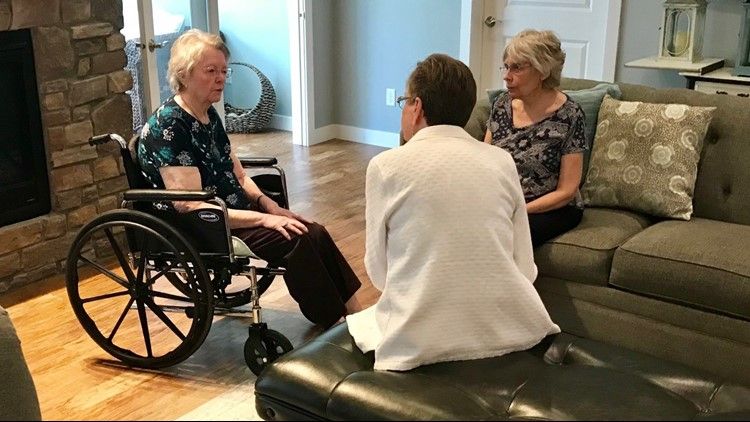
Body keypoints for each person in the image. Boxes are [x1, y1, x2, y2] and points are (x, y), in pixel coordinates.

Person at [346, 53, 560, 371]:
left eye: (404, 101)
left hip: (419, 339)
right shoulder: (501, 160)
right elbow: (525, 268)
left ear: (416, 106)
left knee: (365, 324)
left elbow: (378, 273)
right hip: (511, 330)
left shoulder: (386, 166)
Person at [136, 29, 362, 328]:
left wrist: (269, 206)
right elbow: (190, 206)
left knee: (314, 231)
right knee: (296, 241)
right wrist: (264, 221)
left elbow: (239, 175)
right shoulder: (169, 125)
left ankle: (358, 314)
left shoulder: (208, 114)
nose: (221, 78)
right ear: (184, 73)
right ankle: (335, 323)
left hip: (235, 212)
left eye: (223, 71)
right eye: (211, 71)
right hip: (206, 225)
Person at [484, 29, 587, 248]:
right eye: (506, 66)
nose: (506, 76)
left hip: (550, 209)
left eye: (517, 68)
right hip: (504, 202)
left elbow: (566, 192)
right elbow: (484, 162)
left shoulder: (570, 115)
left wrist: (519, 210)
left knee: (502, 236)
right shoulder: (501, 105)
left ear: (542, 71)